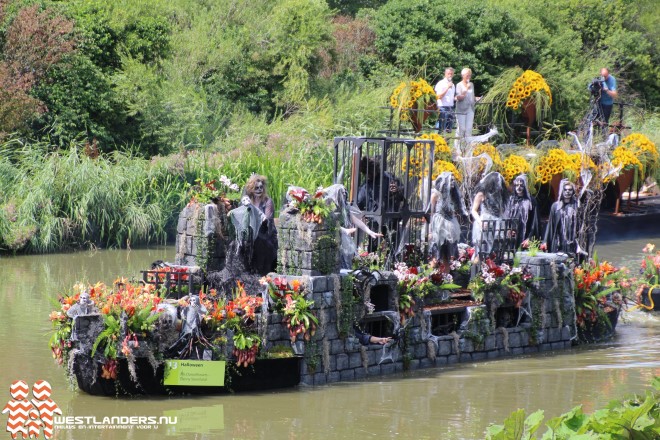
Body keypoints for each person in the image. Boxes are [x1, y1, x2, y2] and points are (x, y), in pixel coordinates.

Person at [323, 184, 382, 269]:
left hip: (343, 240)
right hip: (334, 239)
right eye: (341, 193)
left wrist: (369, 231)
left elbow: (356, 221)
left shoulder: (345, 208)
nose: (344, 194)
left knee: (345, 263)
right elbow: (330, 223)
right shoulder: (330, 208)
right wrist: (344, 230)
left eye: (344, 192)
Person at [429, 172, 467, 268]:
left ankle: (446, 277)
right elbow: (430, 213)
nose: (453, 182)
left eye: (454, 180)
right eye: (451, 180)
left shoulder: (453, 196)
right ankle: (430, 277)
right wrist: (430, 231)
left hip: (450, 227)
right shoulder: (436, 194)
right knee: (436, 253)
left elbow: (456, 210)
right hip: (439, 226)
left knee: (448, 255)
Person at [245, 174, 278, 274]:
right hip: (253, 235)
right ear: (251, 189)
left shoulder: (268, 202)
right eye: (256, 188)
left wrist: (253, 209)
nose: (259, 190)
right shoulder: (248, 200)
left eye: (261, 188)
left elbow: (266, 221)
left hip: (266, 237)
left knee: (258, 242)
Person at [471, 172, 508, 257]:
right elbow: (474, 210)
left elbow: (501, 212)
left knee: (494, 250)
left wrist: (504, 225)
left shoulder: (499, 196)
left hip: (497, 223)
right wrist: (480, 221)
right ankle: (475, 268)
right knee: (481, 250)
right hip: (485, 222)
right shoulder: (482, 194)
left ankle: (491, 268)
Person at [543, 180, 579, 256]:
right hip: (558, 240)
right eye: (565, 190)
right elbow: (550, 225)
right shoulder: (555, 206)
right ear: (562, 191)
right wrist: (545, 241)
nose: (567, 192)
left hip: (571, 241)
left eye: (570, 190)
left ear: (573, 191)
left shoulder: (576, 206)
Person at [504, 174, 539, 248]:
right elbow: (506, 217)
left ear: (525, 186)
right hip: (512, 236)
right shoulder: (511, 200)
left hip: (526, 235)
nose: (518, 187)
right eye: (517, 185)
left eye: (521, 185)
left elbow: (535, 222)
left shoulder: (531, 201)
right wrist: (508, 229)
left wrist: (530, 238)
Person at [455, 67, 478, 139]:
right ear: (463, 76)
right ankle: (458, 148)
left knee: (469, 129)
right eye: (467, 75)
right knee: (462, 129)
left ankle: (468, 148)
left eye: (470, 75)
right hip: (461, 109)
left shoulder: (471, 84)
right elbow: (459, 98)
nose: (469, 77)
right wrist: (466, 88)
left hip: (470, 108)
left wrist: (476, 98)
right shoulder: (459, 85)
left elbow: (471, 95)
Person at [435, 67, 455, 133]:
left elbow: (450, 97)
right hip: (442, 107)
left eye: (451, 74)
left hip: (451, 108)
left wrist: (456, 98)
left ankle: (446, 142)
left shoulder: (453, 85)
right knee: (441, 128)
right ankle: (436, 140)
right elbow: (439, 96)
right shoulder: (441, 83)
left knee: (448, 130)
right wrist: (447, 87)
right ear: (445, 74)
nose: (450, 75)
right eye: (448, 73)